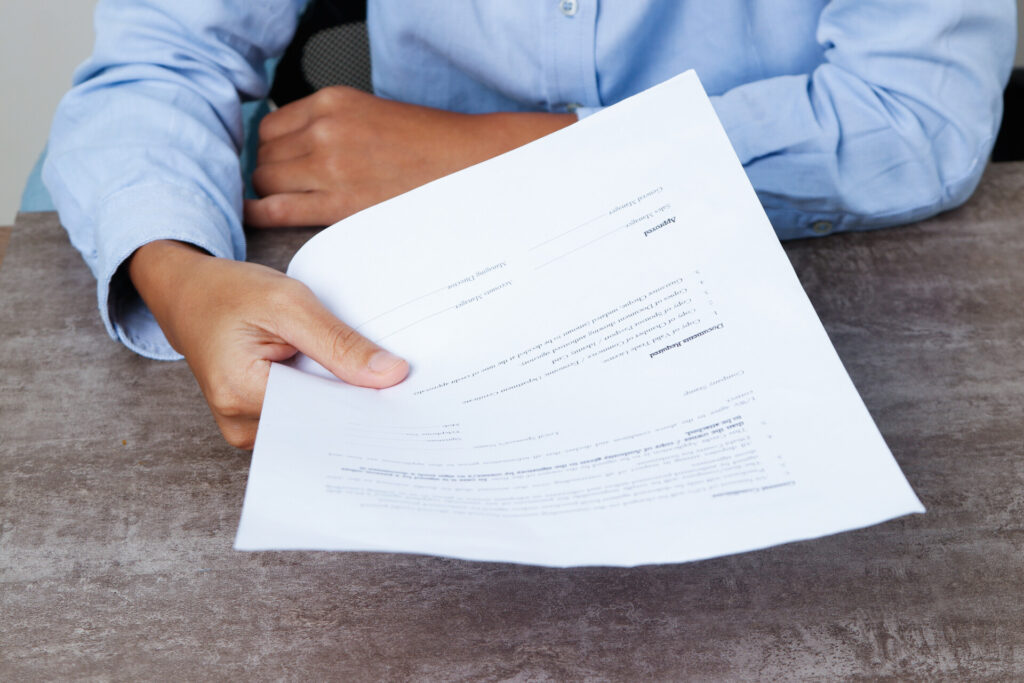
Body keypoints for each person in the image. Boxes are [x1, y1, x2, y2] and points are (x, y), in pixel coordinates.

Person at [44, 1, 1015, 448]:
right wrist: (173, 270)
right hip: (440, 308)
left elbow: (914, 114)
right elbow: (164, 55)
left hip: (808, 304)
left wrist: (504, 150)